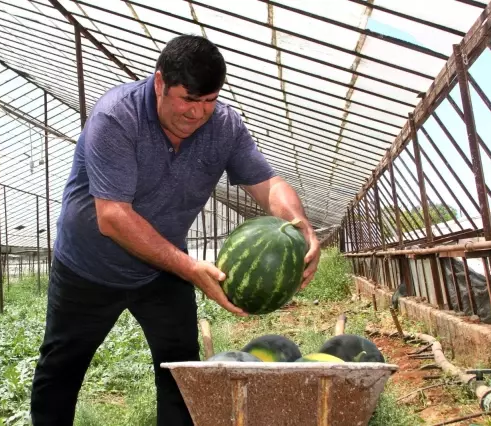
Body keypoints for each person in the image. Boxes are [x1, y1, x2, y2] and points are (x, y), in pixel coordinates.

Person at [30, 34, 321, 426]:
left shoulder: (225, 126)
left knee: (180, 371)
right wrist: (189, 268)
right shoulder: (116, 118)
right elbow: (113, 216)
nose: (198, 113)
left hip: (160, 267)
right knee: (62, 368)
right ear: (160, 83)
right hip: (89, 266)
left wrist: (298, 223)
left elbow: (268, 184)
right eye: (188, 99)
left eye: (209, 101)